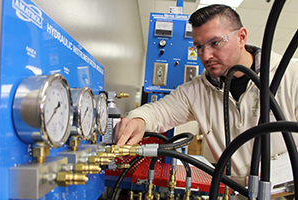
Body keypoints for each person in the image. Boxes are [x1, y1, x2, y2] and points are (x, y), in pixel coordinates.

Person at [115, 3, 298, 196]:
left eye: (215, 43)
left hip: (284, 193)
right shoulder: (197, 90)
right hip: (233, 193)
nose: (206, 55)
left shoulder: (289, 76)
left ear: (241, 37)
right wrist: (138, 121)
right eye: (199, 47)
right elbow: (156, 112)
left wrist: (274, 174)